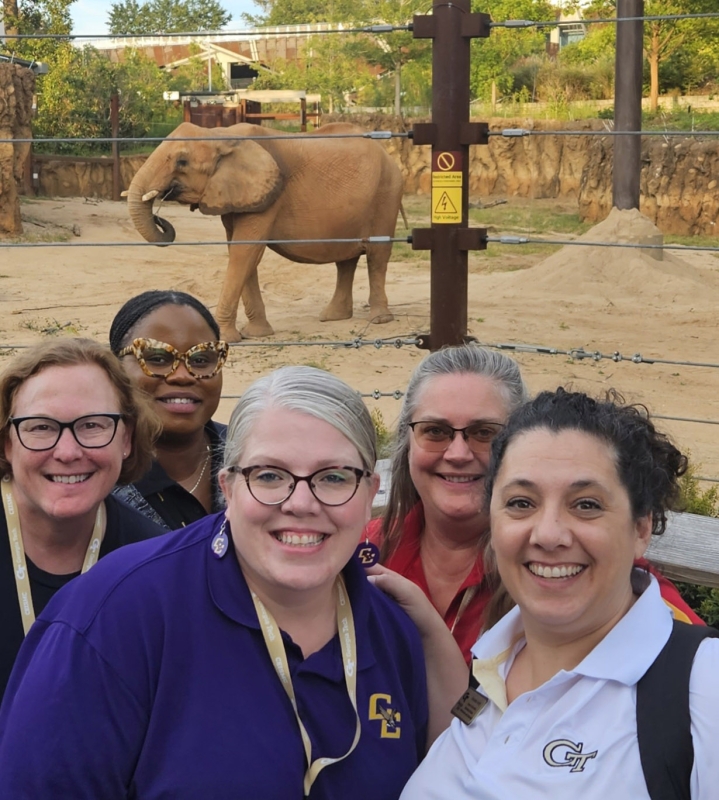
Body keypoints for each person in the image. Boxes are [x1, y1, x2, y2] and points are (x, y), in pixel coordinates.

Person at [0, 366, 429, 800]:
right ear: (229, 487)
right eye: (269, 475)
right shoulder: (112, 620)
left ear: (370, 489)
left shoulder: (391, 634)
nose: (301, 503)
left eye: (334, 477)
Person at [399, 389, 719, 800]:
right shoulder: (490, 667)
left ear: (641, 528)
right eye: (520, 502)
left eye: (585, 505)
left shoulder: (701, 686)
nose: (548, 534)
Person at [366, 346, 702, 663]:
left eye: (484, 433)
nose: (457, 454)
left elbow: (689, 664)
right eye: (435, 431)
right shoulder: (362, 551)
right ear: (407, 442)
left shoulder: (582, 577)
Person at [0, 338, 164, 699]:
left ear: (127, 439)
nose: (68, 452)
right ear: (7, 444)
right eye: (40, 426)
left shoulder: (154, 567)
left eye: (92, 425)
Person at [110, 290, 228, 530]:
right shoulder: (93, 476)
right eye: (157, 358)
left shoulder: (253, 458)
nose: (182, 376)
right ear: (115, 369)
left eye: (201, 359)